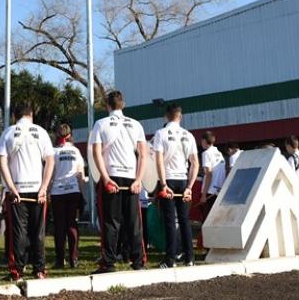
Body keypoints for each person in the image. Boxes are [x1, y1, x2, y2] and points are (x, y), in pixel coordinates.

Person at [89, 90, 148, 273]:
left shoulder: (100, 124)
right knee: (133, 222)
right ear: (123, 105)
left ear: (108, 106)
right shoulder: (136, 124)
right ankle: (138, 262)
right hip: (131, 178)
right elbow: (143, 155)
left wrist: (105, 178)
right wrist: (139, 179)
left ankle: (108, 263)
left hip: (112, 176)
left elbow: (96, 153)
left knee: (110, 222)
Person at [0, 103, 55, 281]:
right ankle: (40, 269)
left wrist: (11, 188)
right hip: (38, 190)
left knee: (18, 232)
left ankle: (17, 271)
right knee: (38, 231)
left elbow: (2, 162)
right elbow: (50, 161)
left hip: (18, 190)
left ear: (15, 116)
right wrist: (44, 187)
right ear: (31, 115)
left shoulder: (8, 132)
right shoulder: (41, 132)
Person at [151, 104, 199, 268]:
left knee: (170, 221)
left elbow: (158, 160)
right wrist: (189, 187)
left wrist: (163, 184)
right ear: (180, 116)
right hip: (183, 181)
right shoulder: (189, 135)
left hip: (169, 180)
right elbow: (195, 163)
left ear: (166, 116)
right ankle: (190, 258)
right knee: (185, 220)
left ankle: (170, 259)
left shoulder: (161, 133)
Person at [49, 123, 85, 269]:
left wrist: (47, 191)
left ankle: (59, 260)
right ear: (70, 135)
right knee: (72, 225)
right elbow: (80, 174)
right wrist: (82, 194)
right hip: (73, 191)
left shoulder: (53, 152)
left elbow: (50, 174)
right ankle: (73, 258)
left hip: (57, 192)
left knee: (59, 226)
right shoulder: (75, 151)